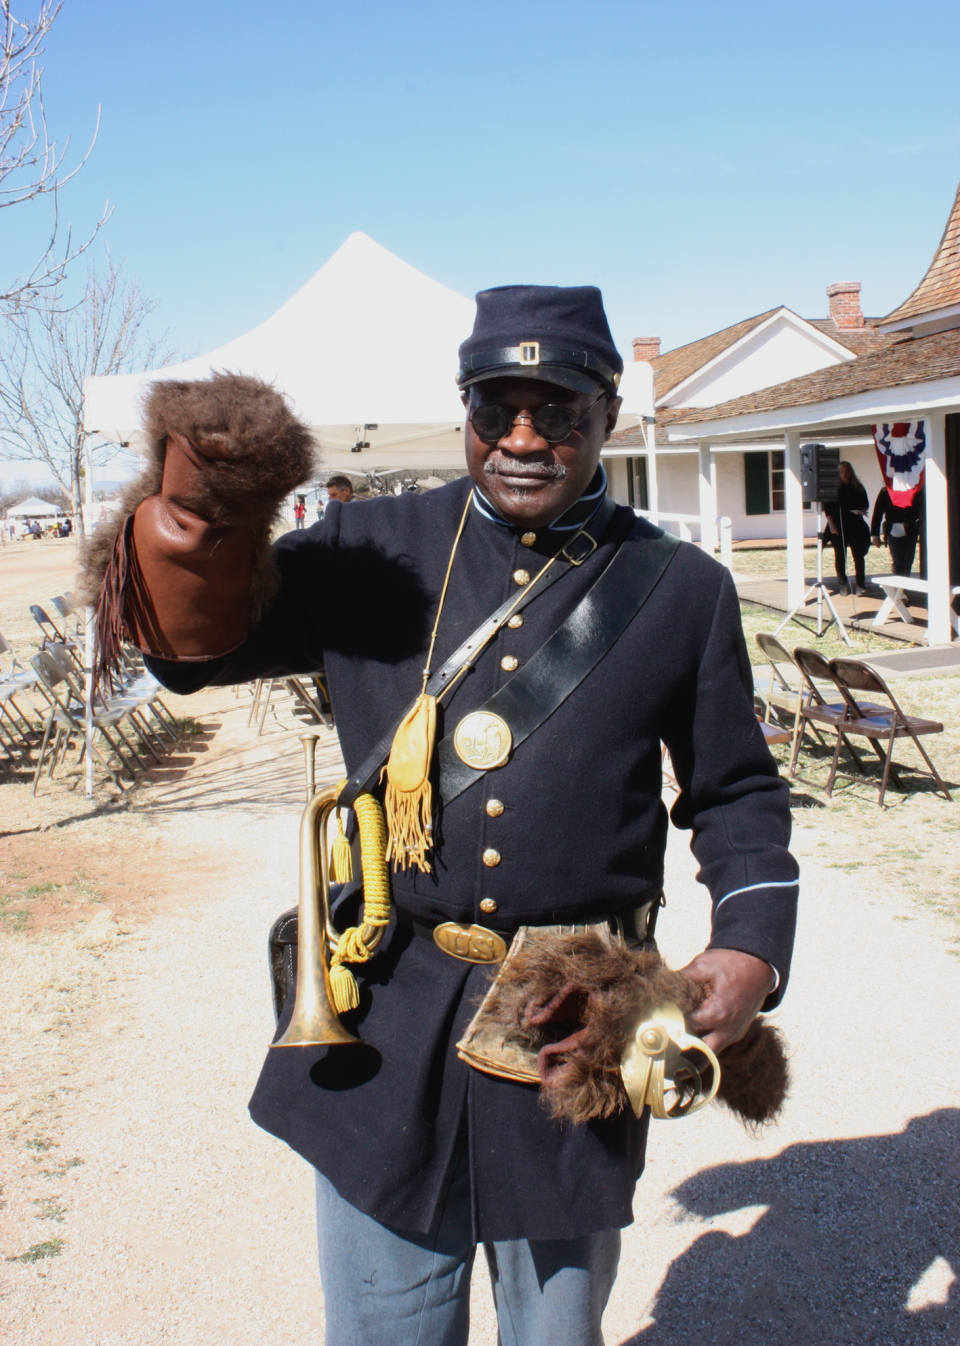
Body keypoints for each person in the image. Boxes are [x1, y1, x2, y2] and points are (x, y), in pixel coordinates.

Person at [80, 286, 798, 1346]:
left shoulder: (679, 589)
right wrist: (200, 511)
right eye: (492, 407)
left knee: (556, 1332)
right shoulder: (375, 546)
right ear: (462, 410)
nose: (520, 437)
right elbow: (196, 657)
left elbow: (735, 790)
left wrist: (751, 945)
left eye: (555, 411)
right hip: (389, 1016)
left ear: (607, 415)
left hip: (575, 1027)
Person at [822, 461, 871, 596]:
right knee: (840, 556)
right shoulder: (834, 489)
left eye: (847, 471)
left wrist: (862, 510)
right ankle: (842, 584)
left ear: (851, 472)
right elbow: (828, 509)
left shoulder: (858, 487)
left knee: (859, 556)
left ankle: (860, 585)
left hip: (855, 526)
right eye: (842, 471)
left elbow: (865, 504)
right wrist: (831, 525)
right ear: (839, 473)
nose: (844, 474)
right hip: (838, 527)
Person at [871, 484, 925, 601]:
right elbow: (878, 513)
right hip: (892, 531)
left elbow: (923, 509)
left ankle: (902, 589)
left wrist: (921, 525)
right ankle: (900, 591)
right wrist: (875, 534)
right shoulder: (886, 491)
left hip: (910, 530)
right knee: (898, 561)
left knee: (908, 561)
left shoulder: (914, 489)